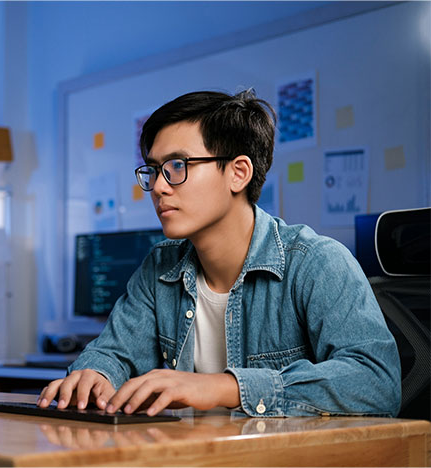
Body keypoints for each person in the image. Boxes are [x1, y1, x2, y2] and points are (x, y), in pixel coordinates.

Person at [37, 89, 401, 417]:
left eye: (178, 166)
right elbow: (114, 352)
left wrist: (222, 387)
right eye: (154, 169)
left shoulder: (317, 262)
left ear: (238, 173)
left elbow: (376, 382)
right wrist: (95, 374)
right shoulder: (159, 266)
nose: (159, 187)